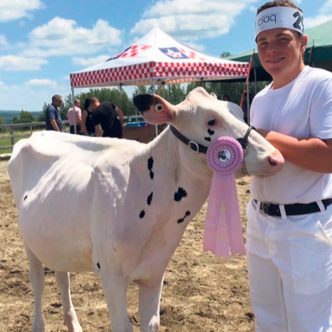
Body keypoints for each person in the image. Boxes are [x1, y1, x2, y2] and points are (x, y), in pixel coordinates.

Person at [246, 1, 332, 331]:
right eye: (263, 43)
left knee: (309, 324)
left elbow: (327, 157)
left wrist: (261, 136)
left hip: (306, 225)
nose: (272, 50)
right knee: (267, 319)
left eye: (282, 39)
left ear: (302, 41)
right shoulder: (261, 98)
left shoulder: (321, 84)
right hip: (260, 220)